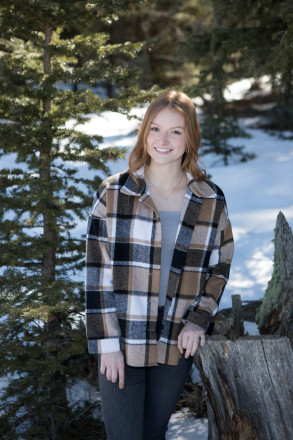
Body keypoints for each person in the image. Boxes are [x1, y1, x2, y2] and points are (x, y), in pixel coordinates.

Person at [85, 90, 234, 440]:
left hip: (175, 336)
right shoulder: (115, 193)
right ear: (144, 134)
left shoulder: (209, 199)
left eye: (175, 131)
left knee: (153, 433)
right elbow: (96, 273)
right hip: (123, 335)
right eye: (155, 129)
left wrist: (199, 320)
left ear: (190, 138)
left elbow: (221, 263)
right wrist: (107, 343)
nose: (163, 140)